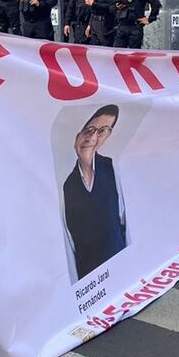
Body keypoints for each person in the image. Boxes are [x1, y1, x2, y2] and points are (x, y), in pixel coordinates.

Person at [63, 104, 128, 282]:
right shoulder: (66, 185)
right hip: (89, 279)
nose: (92, 138)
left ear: (108, 136)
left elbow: (125, 222)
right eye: (89, 130)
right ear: (78, 135)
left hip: (121, 268)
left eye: (102, 131)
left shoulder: (113, 168)